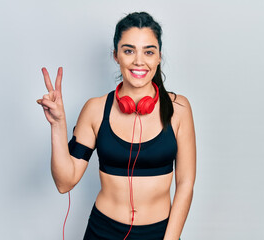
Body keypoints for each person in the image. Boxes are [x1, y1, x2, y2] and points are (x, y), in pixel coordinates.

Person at [37, 12, 196, 240]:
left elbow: (185, 183)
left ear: (159, 56)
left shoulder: (179, 108)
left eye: (148, 51)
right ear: (116, 56)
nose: (139, 61)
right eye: (129, 50)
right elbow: (65, 182)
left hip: (159, 234)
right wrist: (58, 126)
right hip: (102, 232)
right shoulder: (95, 109)